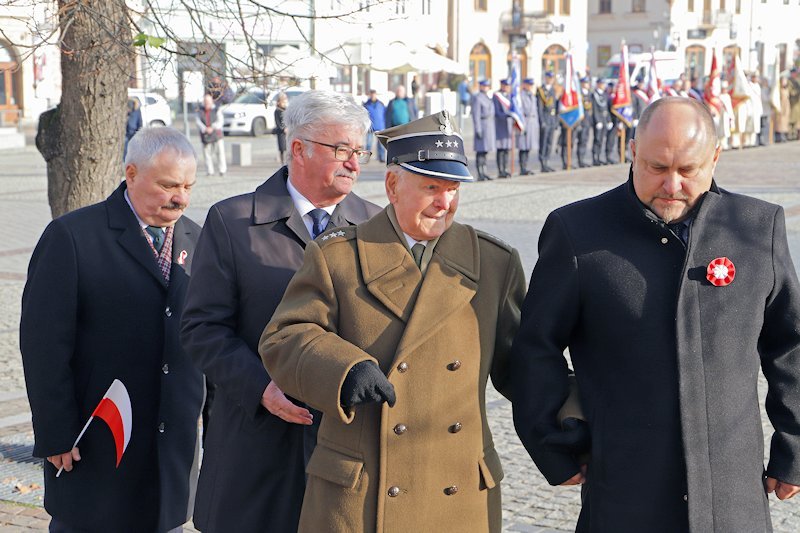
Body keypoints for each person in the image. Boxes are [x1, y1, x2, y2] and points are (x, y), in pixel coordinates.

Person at [511, 97, 800, 532]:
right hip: (625, 491)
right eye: (656, 167)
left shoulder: (758, 227)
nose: (672, 185)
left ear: (716, 157)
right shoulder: (577, 231)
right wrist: (551, 443)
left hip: (731, 493)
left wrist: (794, 447)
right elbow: (535, 346)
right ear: (632, 151)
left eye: (688, 170)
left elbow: (790, 343)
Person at [259, 110, 525, 532]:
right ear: (392, 185)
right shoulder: (337, 256)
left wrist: (571, 421)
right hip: (362, 494)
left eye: (454, 188)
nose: (445, 202)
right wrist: (344, 370)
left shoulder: (494, 263)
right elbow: (285, 337)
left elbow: (525, 368)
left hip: (456, 493)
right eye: (432, 187)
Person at [180, 90, 381, 533]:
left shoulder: (374, 226)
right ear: (298, 149)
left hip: (342, 450)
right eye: (342, 149)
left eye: (359, 151)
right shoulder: (232, 222)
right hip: (255, 448)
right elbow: (201, 328)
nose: (354, 162)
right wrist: (261, 388)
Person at [20, 127, 203, 533]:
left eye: (189, 185)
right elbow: (43, 345)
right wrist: (55, 434)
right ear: (131, 174)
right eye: (168, 185)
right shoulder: (72, 237)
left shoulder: (198, 237)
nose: (180, 197)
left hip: (170, 449)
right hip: (97, 441)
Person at [196, 93, 227, 177]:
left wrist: (212, 127)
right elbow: (198, 122)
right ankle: (210, 171)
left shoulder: (217, 109)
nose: (207, 104)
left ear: (211, 102)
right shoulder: (200, 111)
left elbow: (220, 121)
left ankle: (222, 170)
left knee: (220, 153)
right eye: (205, 102)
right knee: (207, 154)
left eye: (208, 102)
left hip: (217, 135)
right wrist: (205, 128)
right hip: (205, 135)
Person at [471, 79, 496, 181]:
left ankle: (484, 171)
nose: (486, 88)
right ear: (480, 87)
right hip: (482, 126)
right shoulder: (478, 98)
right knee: (480, 151)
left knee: (485, 151)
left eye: (487, 86)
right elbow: (476, 115)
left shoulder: (488, 97)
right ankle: (480, 173)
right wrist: (478, 129)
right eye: (484, 86)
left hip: (489, 126)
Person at [517, 77, 538, 175]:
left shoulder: (532, 96)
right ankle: (522, 167)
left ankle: (526, 166)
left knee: (528, 146)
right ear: (524, 85)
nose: (530, 87)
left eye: (531, 85)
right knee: (523, 146)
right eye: (528, 85)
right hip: (525, 121)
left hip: (532, 123)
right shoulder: (521, 96)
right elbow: (520, 110)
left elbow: (535, 111)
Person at [537, 71, 557, 172]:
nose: (550, 80)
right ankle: (542, 163)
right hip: (545, 118)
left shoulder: (553, 90)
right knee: (543, 142)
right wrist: (542, 121)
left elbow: (556, 107)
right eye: (549, 78)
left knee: (550, 142)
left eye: (552, 78)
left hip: (552, 119)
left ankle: (547, 161)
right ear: (545, 78)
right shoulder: (541, 90)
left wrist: (556, 121)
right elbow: (540, 108)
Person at [493, 79, 513, 178]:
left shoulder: (510, 96)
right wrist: (507, 115)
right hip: (500, 124)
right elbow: (496, 112)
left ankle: (505, 169)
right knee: (500, 148)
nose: (506, 87)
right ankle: (500, 170)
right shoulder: (497, 96)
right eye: (505, 85)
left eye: (508, 86)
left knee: (506, 149)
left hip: (508, 124)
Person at [590, 78, 610, 166]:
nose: (603, 85)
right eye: (601, 84)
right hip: (598, 121)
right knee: (597, 139)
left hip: (604, 120)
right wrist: (598, 120)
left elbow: (606, 109)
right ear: (598, 84)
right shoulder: (594, 95)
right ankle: (595, 158)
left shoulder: (605, 94)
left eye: (603, 84)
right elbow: (594, 109)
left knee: (601, 140)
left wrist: (609, 120)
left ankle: (599, 157)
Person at [363, 89, 387, 163]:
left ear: (376, 95)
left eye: (374, 94)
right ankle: (367, 158)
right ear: (370, 95)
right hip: (370, 127)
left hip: (379, 126)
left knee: (380, 144)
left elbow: (385, 114)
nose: (373, 96)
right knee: (369, 144)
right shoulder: (366, 105)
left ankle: (381, 157)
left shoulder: (381, 104)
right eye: (371, 94)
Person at [275, 92, 289, 165]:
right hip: (281, 132)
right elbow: (278, 122)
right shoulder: (277, 111)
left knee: (287, 147)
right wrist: (283, 129)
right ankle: (282, 161)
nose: (284, 103)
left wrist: (288, 127)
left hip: (287, 131)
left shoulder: (285, 110)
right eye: (283, 101)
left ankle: (287, 161)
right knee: (282, 148)